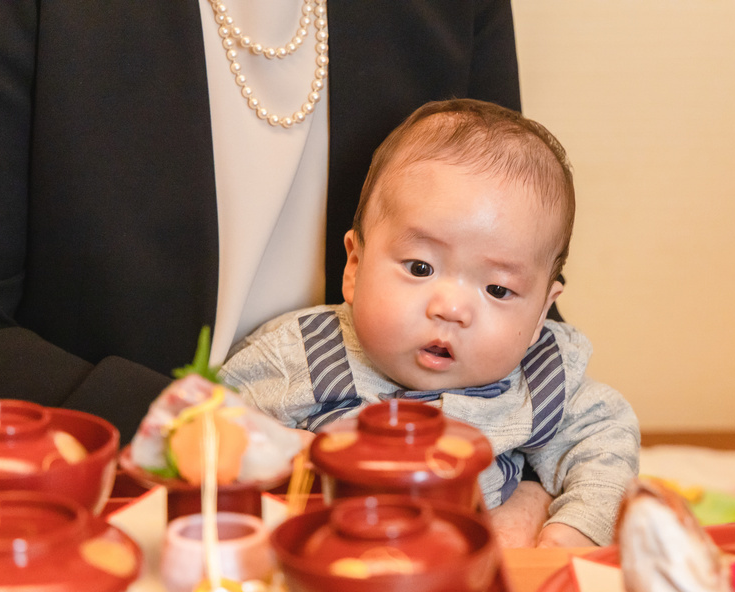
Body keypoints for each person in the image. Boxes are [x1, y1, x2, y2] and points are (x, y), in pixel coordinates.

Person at [0, 0, 522, 443]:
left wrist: (541, 489)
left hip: (392, 501)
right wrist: (200, 438)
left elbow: (506, 257)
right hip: (101, 505)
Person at [221, 99, 640, 547]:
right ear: (356, 266)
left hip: (468, 573)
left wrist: (573, 530)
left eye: (498, 290)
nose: (451, 309)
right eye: (420, 268)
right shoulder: (302, 355)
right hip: (327, 559)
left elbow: (606, 444)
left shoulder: (540, 379)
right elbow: (210, 427)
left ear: (541, 311)